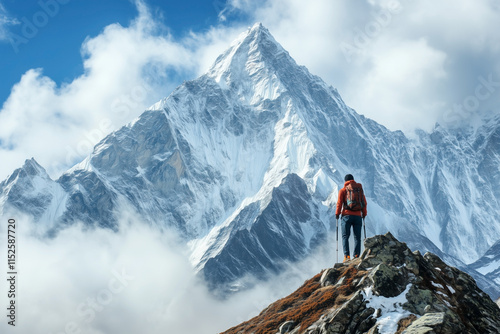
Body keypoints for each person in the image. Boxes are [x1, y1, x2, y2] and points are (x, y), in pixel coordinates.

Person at [336, 174, 367, 262]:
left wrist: (337, 214)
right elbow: (364, 203)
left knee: (345, 236)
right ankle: (356, 255)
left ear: (345, 181)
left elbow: (339, 203)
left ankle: (347, 256)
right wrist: (364, 214)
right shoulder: (359, 190)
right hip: (358, 217)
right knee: (357, 237)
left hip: (346, 216)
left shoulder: (343, 191)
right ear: (353, 180)